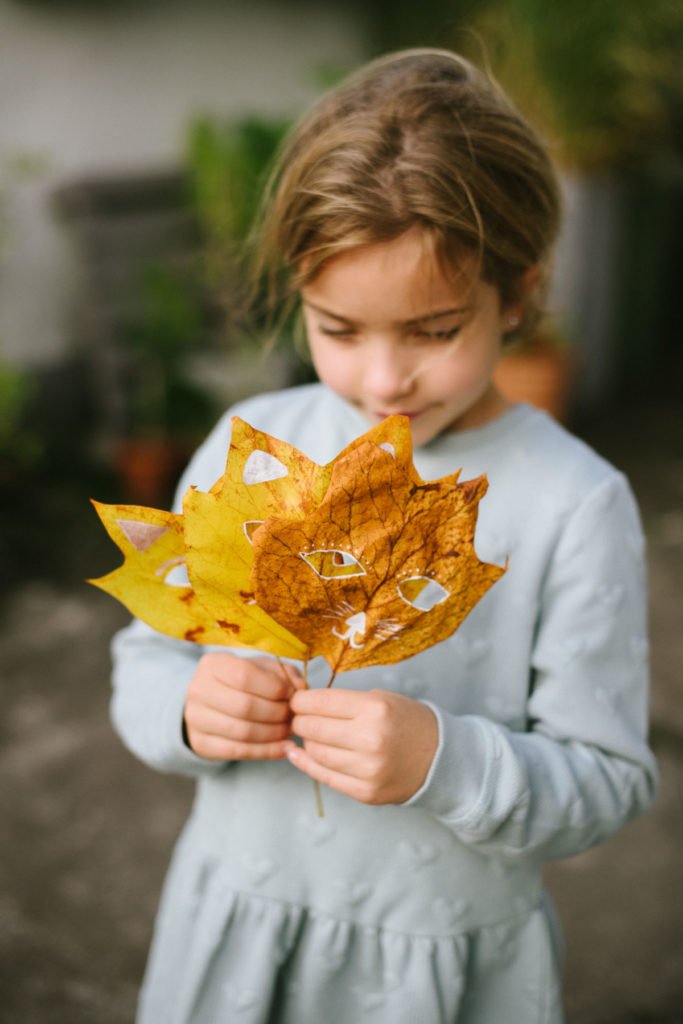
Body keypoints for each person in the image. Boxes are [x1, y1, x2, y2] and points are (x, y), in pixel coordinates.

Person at [110, 49, 657, 1023]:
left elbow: (607, 781)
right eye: (337, 329)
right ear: (299, 294)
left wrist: (447, 763)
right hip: (239, 931)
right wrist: (192, 710)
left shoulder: (575, 503)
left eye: (433, 330)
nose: (382, 380)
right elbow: (146, 659)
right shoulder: (253, 452)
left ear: (518, 295)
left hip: (438, 965)